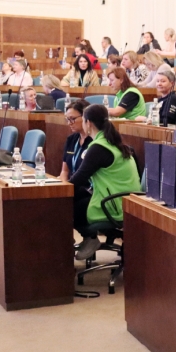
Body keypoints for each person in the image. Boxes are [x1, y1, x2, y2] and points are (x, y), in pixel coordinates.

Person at [69, 104, 141, 260]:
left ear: (88, 123)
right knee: (77, 194)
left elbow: (78, 179)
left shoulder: (99, 147)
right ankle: (87, 238)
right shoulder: (111, 141)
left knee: (67, 204)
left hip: (114, 204)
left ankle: (89, 238)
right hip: (123, 199)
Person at [59, 100, 91, 183]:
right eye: (67, 119)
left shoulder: (95, 142)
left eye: (72, 119)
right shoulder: (71, 139)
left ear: (85, 117)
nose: (69, 123)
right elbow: (64, 171)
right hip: (70, 185)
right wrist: (65, 186)